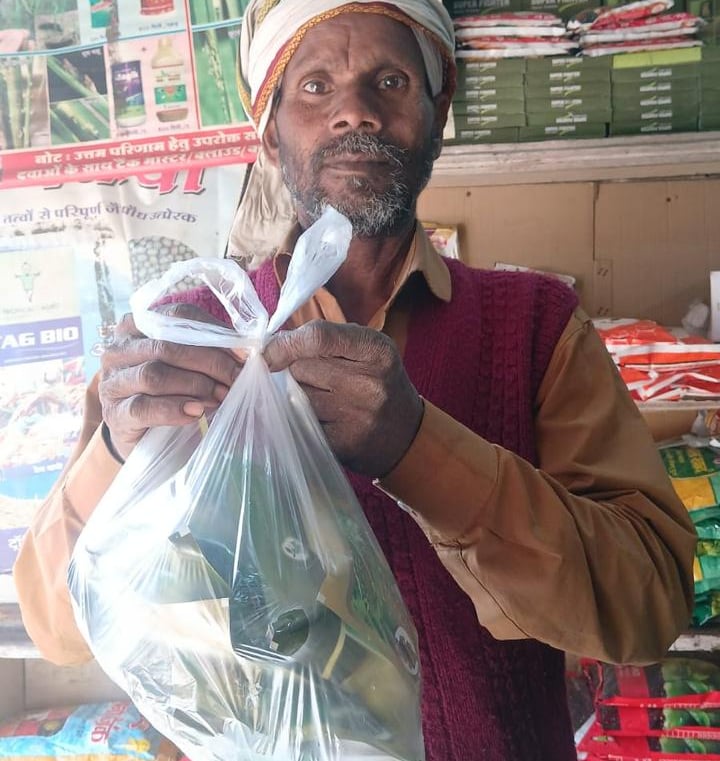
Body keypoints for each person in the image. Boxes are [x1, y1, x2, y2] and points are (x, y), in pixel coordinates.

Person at [14, 1, 696, 759]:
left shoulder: (534, 326)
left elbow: (650, 604)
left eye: (391, 80)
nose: (353, 115)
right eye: (313, 87)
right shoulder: (184, 333)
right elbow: (56, 622)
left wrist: (418, 448)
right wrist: (115, 441)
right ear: (269, 132)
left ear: (438, 111)